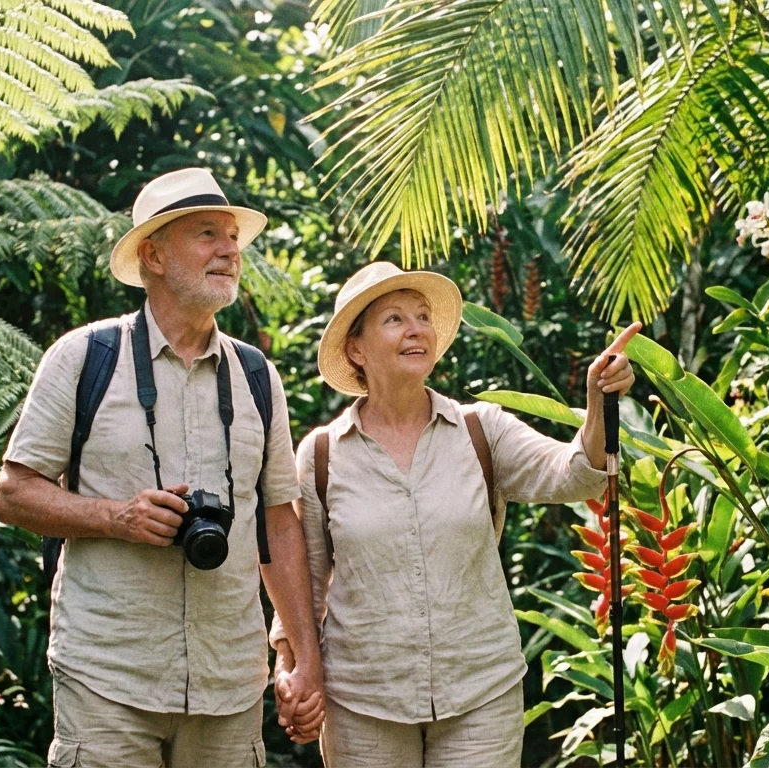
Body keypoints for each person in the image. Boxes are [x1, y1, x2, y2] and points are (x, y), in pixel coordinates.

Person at [0, 168, 323, 767]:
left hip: (230, 682)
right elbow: (13, 493)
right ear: (153, 255)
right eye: (207, 234)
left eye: (232, 237)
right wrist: (116, 516)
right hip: (109, 676)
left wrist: (304, 658)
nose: (229, 249)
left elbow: (278, 522)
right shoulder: (83, 358)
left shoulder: (255, 377)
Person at [269, 261, 640, 766]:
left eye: (423, 316)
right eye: (394, 319)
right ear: (356, 349)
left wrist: (598, 404)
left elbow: (572, 472)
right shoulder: (321, 455)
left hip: (480, 693)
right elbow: (305, 583)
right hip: (363, 701)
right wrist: (291, 667)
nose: (417, 328)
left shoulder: (480, 430)